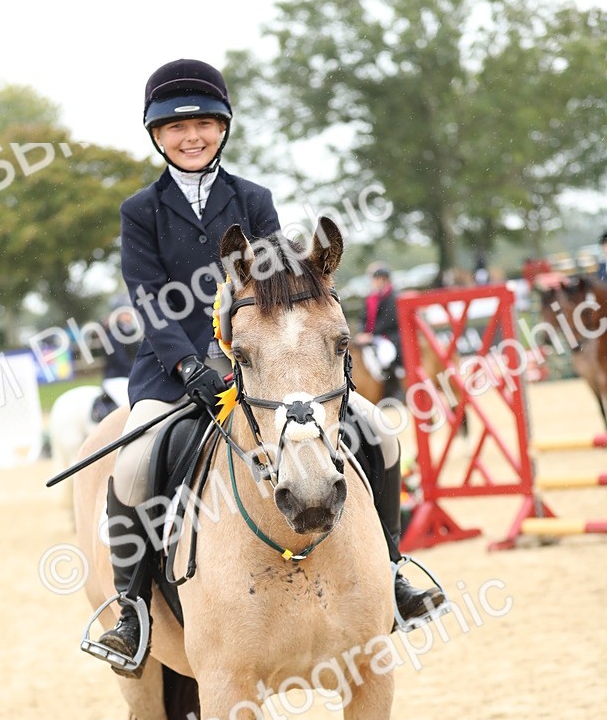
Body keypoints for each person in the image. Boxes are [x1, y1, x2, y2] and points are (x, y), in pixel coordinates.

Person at [91, 58, 447, 675]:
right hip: (171, 372)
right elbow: (147, 298)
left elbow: (276, 283)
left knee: (379, 432)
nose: (192, 137)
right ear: (156, 135)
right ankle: (133, 609)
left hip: (263, 365)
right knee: (133, 463)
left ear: (223, 128)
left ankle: (393, 571)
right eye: (177, 128)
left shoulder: (253, 198)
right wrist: (188, 366)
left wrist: (262, 351)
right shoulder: (139, 211)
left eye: (204, 124)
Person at [355, 263, 402, 395]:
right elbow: (363, 317)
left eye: (376, 279)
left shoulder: (393, 297)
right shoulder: (371, 298)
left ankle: (394, 389)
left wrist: (371, 334)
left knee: (386, 356)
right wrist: (361, 332)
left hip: (388, 336)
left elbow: (388, 321)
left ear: (383, 279)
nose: (374, 282)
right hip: (371, 337)